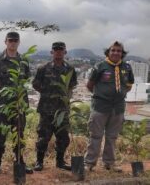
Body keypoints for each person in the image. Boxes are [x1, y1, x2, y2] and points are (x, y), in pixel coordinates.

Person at [0, 31, 33, 174]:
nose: (13, 43)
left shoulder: (24, 60)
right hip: (2, 104)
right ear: (5, 42)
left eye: (15, 41)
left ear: (19, 43)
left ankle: (20, 161)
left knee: (19, 132)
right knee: (0, 134)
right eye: (10, 40)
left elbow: (26, 79)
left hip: (19, 104)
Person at [84, 41, 134, 172]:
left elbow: (129, 86)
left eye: (119, 51)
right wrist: (102, 96)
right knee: (95, 135)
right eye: (113, 50)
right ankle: (89, 163)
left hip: (118, 108)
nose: (116, 53)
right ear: (108, 52)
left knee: (112, 136)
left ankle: (109, 163)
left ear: (122, 53)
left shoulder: (127, 67)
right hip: (100, 107)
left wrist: (118, 95)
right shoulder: (100, 66)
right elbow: (90, 85)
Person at [32, 42, 77, 171]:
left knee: (63, 137)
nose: (58, 52)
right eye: (55, 50)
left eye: (60, 50)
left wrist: (63, 97)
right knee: (43, 137)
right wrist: (47, 93)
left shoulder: (70, 69)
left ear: (65, 52)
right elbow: (35, 84)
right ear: (51, 52)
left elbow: (71, 85)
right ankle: (39, 162)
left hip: (62, 109)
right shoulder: (43, 68)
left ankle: (60, 162)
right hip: (46, 109)